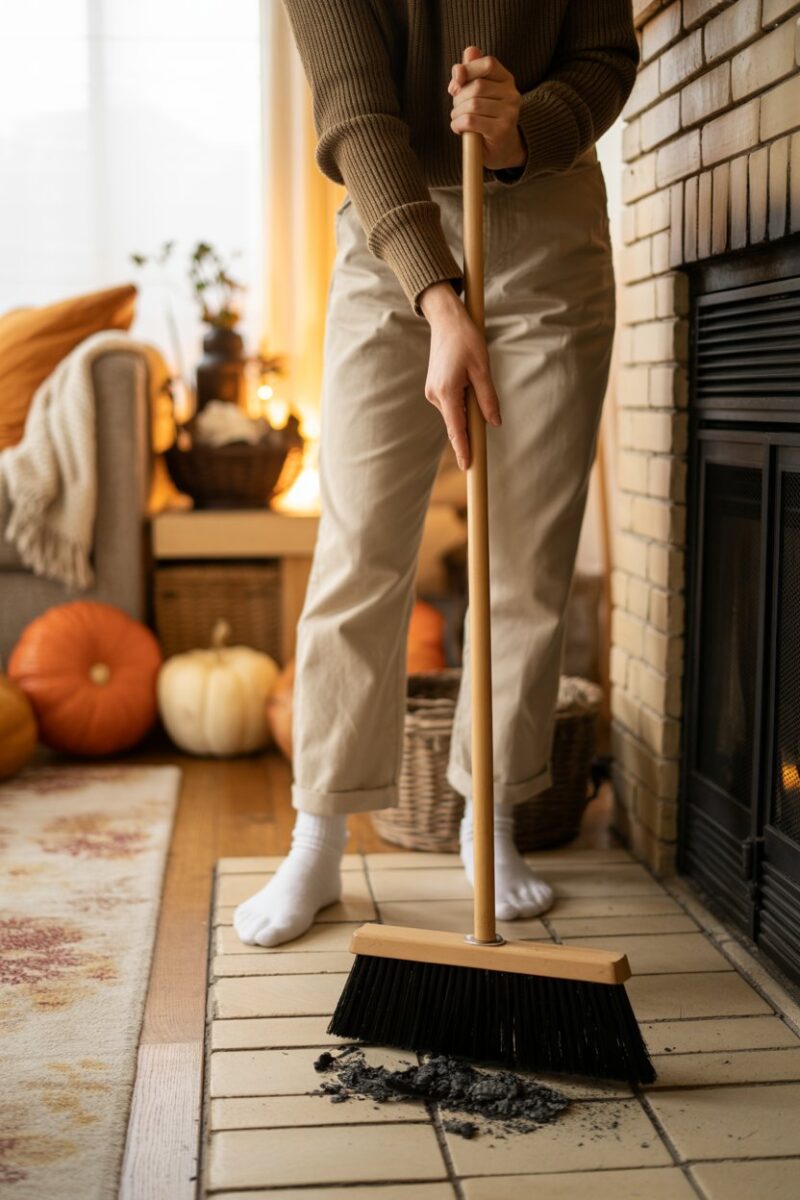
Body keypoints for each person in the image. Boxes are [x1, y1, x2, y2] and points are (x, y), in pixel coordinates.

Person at [234, 1, 639, 948]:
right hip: (393, 230)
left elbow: (604, 56)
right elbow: (358, 116)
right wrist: (439, 299)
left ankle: (489, 822)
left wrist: (519, 125)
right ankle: (320, 835)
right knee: (360, 545)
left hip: (549, 222)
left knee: (529, 553)